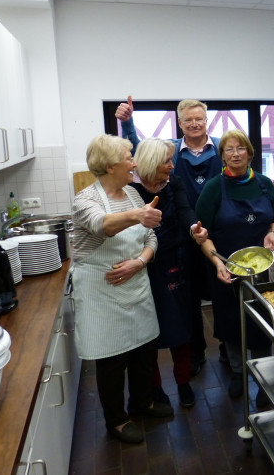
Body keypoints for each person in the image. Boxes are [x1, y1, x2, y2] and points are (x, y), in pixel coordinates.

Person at [71, 134, 173, 444]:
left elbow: (151, 238)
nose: (134, 162)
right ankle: (116, 420)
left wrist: (139, 262)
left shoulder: (132, 194)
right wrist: (137, 216)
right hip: (103, 290)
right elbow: (101, 225)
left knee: (143, 351)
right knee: (112, 357)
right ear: (111, 165)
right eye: (129, 156)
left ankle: (141, 403)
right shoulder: (85, 199)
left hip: (135, 281)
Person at [117, 96, 222, 374]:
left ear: (206, 120)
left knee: (221, 294)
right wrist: (127, 123)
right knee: (189, 303)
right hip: (184, 241)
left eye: (199, 118)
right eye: (189, 120)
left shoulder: (222, 147)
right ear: (180, 123)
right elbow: (143, 154)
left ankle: (226, 349)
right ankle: (196, 352)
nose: (195, 123)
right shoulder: (171, 152)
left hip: (213, 232)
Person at [195, 130, 274, 402]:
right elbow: (202, 234)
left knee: (262, 323)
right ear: (221, 156)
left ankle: (264, 374)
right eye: (229, 150)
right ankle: (237, 372)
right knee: (231, 322)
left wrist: (272, 232)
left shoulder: (265, 184)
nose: (235, 154)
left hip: (261, 269)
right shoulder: (213, 187)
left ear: (249, 152)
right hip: (226, 269)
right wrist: (215, 261)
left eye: (240, 148)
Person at [130, 138, 209, 409]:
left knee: (181, 325)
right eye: (167, 161)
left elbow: (187, 212)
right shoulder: (130, 189)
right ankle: (155, 388)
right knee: (148, 330)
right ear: (152, 163)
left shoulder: (173, 182)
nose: (172, 165)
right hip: (143, 266)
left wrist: (193, 230)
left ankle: (183, 382)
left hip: (176, 260)